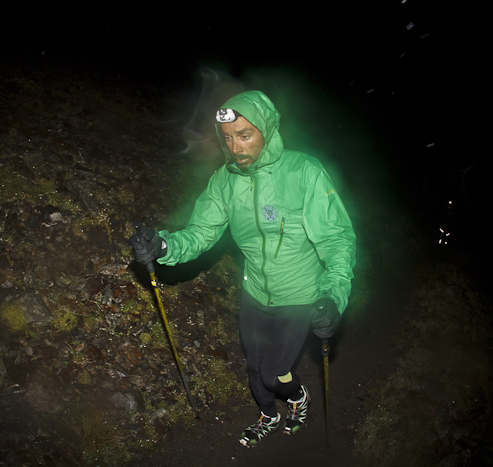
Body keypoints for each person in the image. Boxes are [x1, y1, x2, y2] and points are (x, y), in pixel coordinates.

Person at [129, 90, 356, 447]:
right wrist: (164, 246)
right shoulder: (224, 180)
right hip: (255, 293)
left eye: (245, 135)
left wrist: (333, 296)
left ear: (266, 130)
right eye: (227, 138)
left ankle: (298, 397)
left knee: (274, 374)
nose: (235, 147)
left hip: (300, 294)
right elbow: (201, 232)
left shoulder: (304, 172)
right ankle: (268, 415)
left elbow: (337, 240)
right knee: (254, 366)